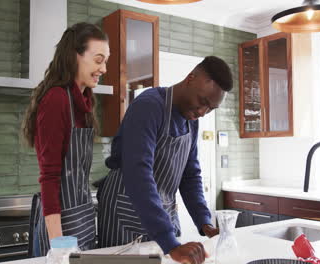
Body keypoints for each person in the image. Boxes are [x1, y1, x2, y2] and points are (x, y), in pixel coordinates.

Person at [97, 56, 233, 264]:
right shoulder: (149, 106)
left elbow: (190, 175)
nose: (202, 112)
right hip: (125, 212)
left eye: (210, 109)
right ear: (190, 78)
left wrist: (204, 222)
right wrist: (170, 243)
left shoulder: (191, 121)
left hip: (161, 214)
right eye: (203, 102)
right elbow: (138, 175)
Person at [22, 22, 109, 256]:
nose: (104, 69)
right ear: (74, 57)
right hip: (60, 231)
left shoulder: (84, 102)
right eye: (98, 60)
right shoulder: (56, 99)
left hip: (82, 221)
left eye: (105, 62)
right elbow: (49, 177)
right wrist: (59, 245)